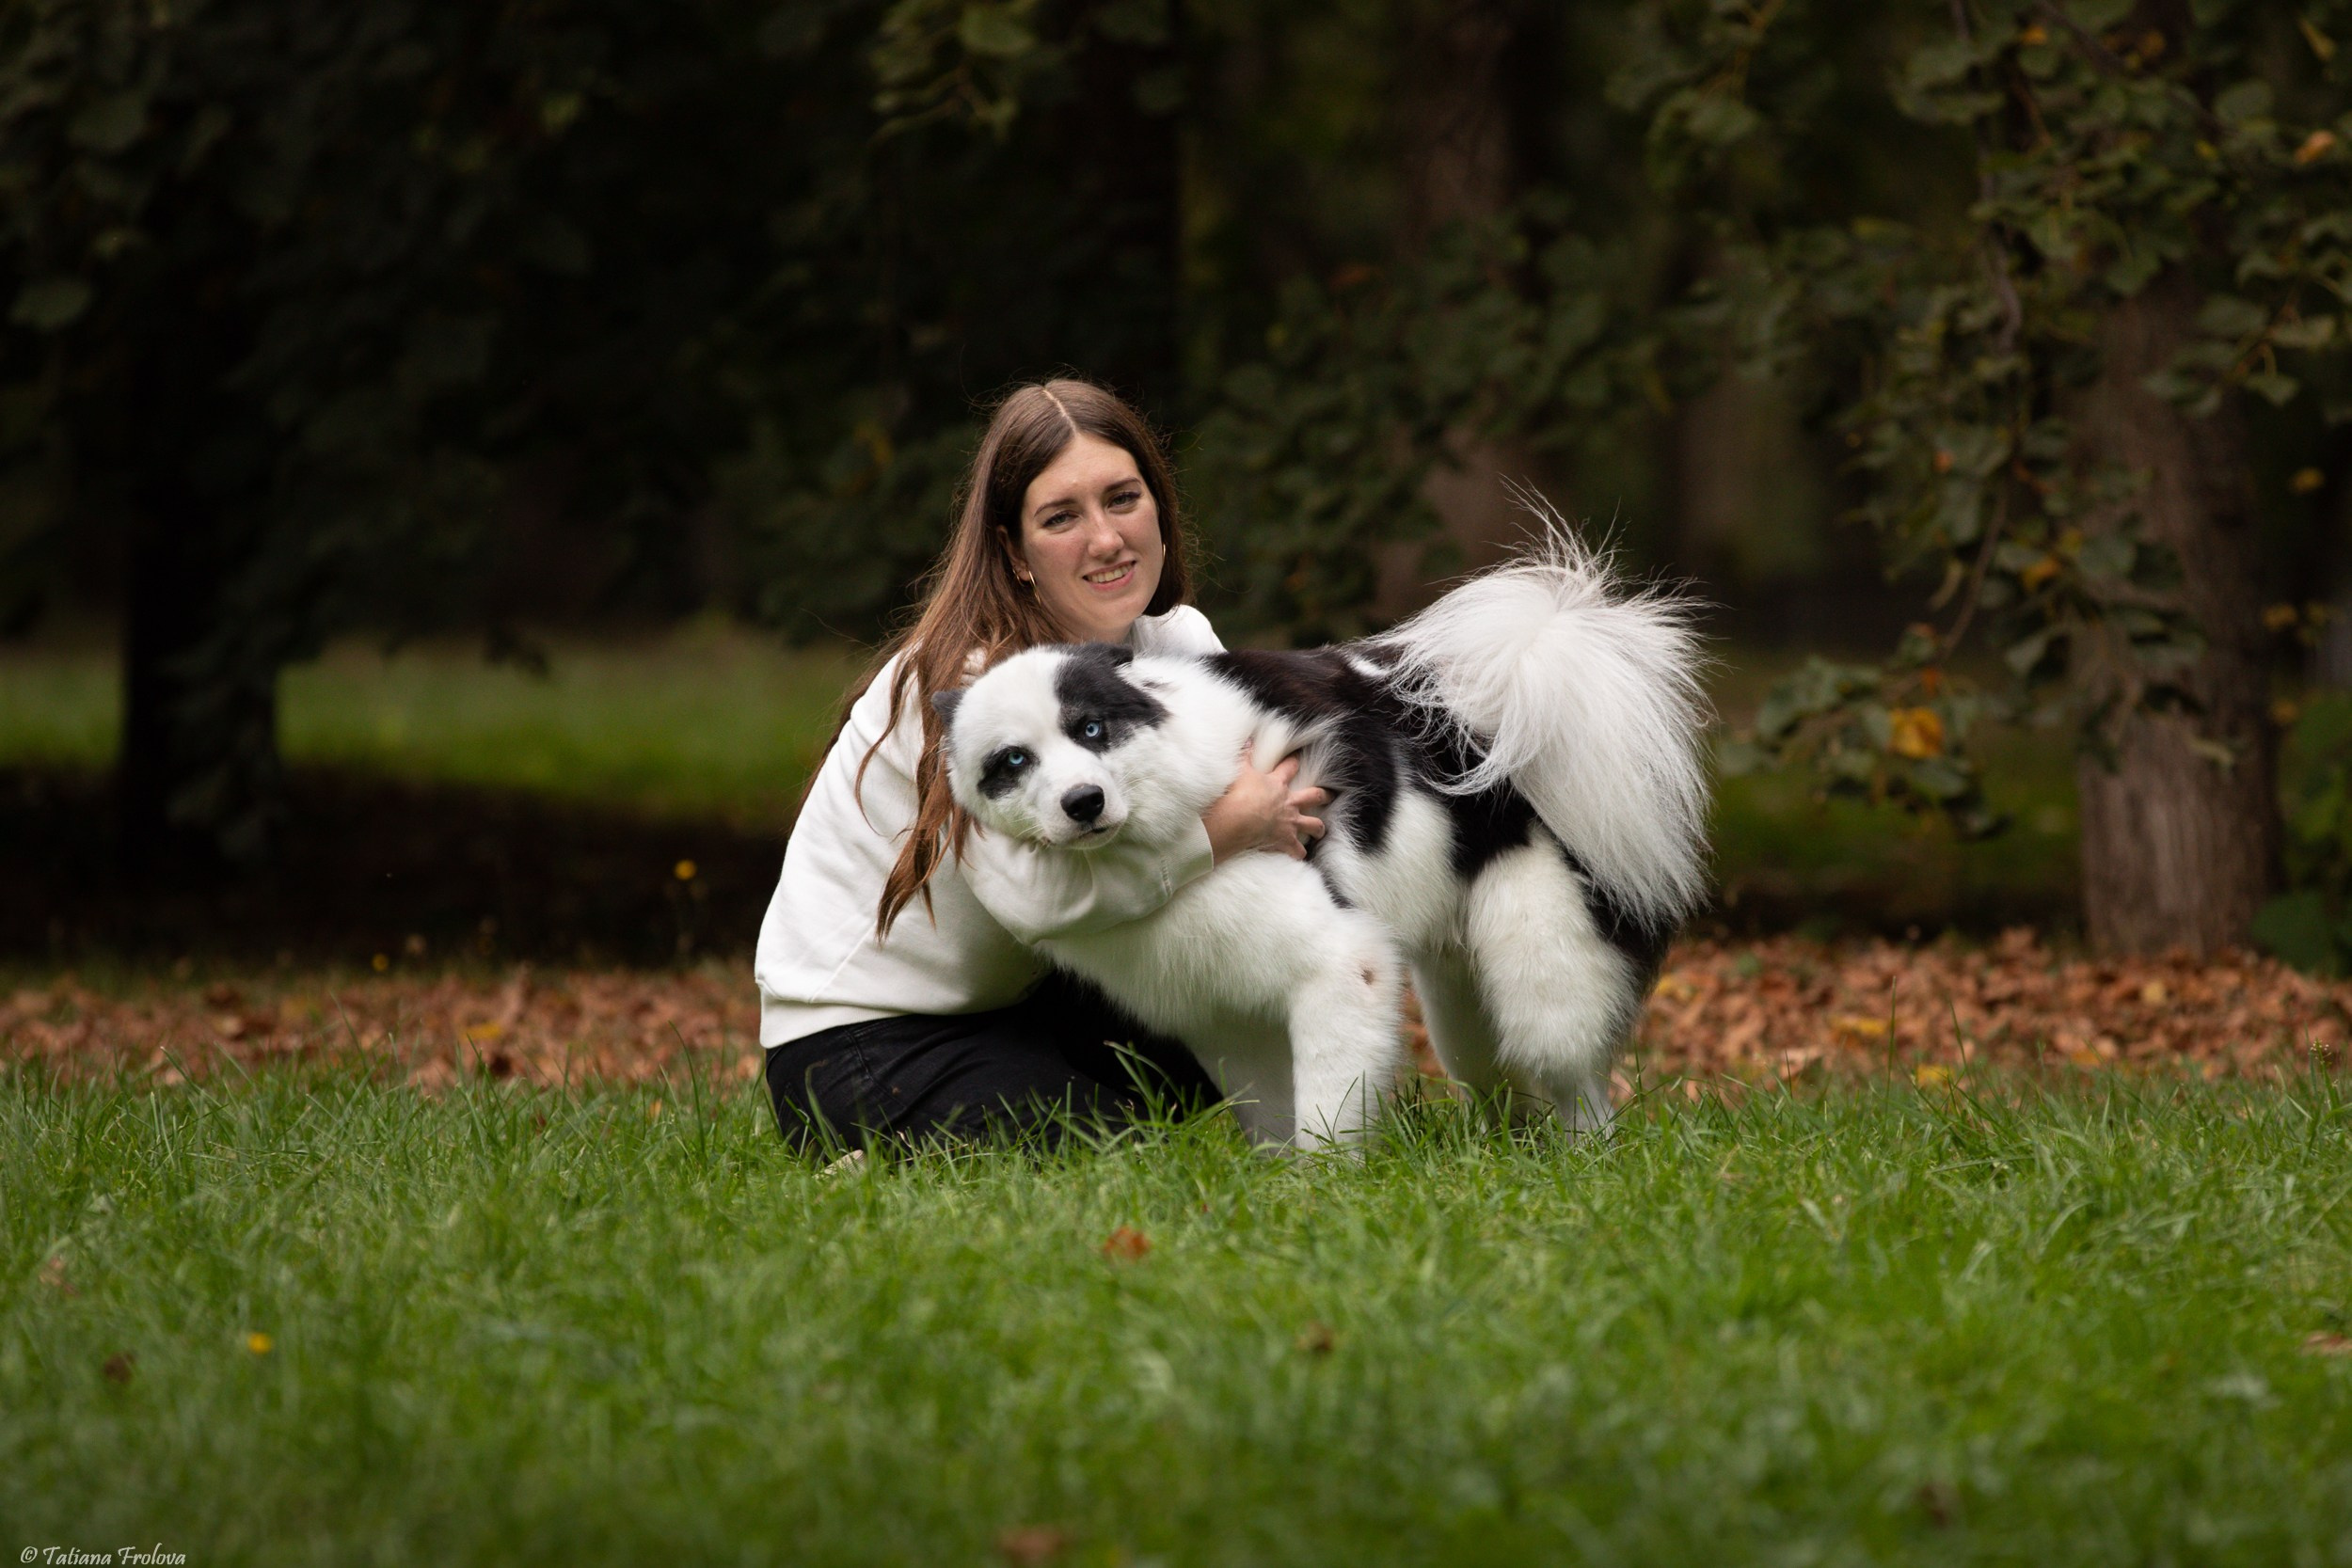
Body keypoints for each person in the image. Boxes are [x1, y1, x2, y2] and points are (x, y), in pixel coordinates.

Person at [755, 379, 1328, 1149]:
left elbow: (1290, 798)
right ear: (1013, 552)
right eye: (1062, 517)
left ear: (1160, 508)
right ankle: (875, 1154)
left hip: (1033, 1005)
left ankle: (1319, 1137)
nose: (1106, 538)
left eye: (1123, 498)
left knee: (1238, 990)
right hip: (866, 1045)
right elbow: (1038, 903)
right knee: (1118, 1156)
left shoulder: (1178, 643)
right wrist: (1224, 829)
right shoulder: (971, 683)